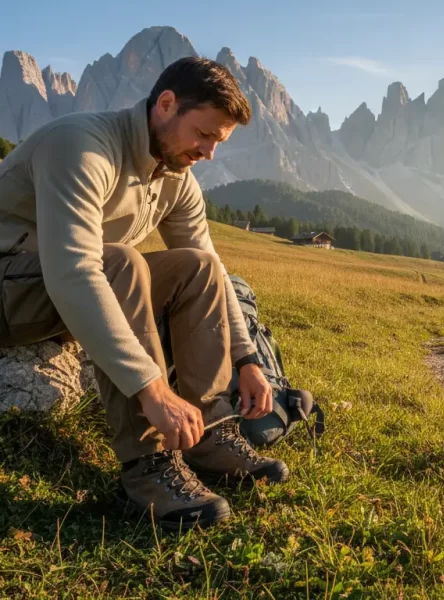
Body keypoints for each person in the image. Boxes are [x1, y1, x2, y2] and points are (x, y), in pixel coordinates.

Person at [0, 56, 288, 530]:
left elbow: (208, 263)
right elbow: (75, 270)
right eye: (205, 134)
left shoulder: (175, 176)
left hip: (48, 291)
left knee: (196, 268)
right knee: (120, 261)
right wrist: (151, 388)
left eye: (219, 140)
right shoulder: (81, 145)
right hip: (8, 286)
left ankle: (209, 433)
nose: (210, 151)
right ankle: (147, 466)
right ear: (166, 104)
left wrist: (247, 359)